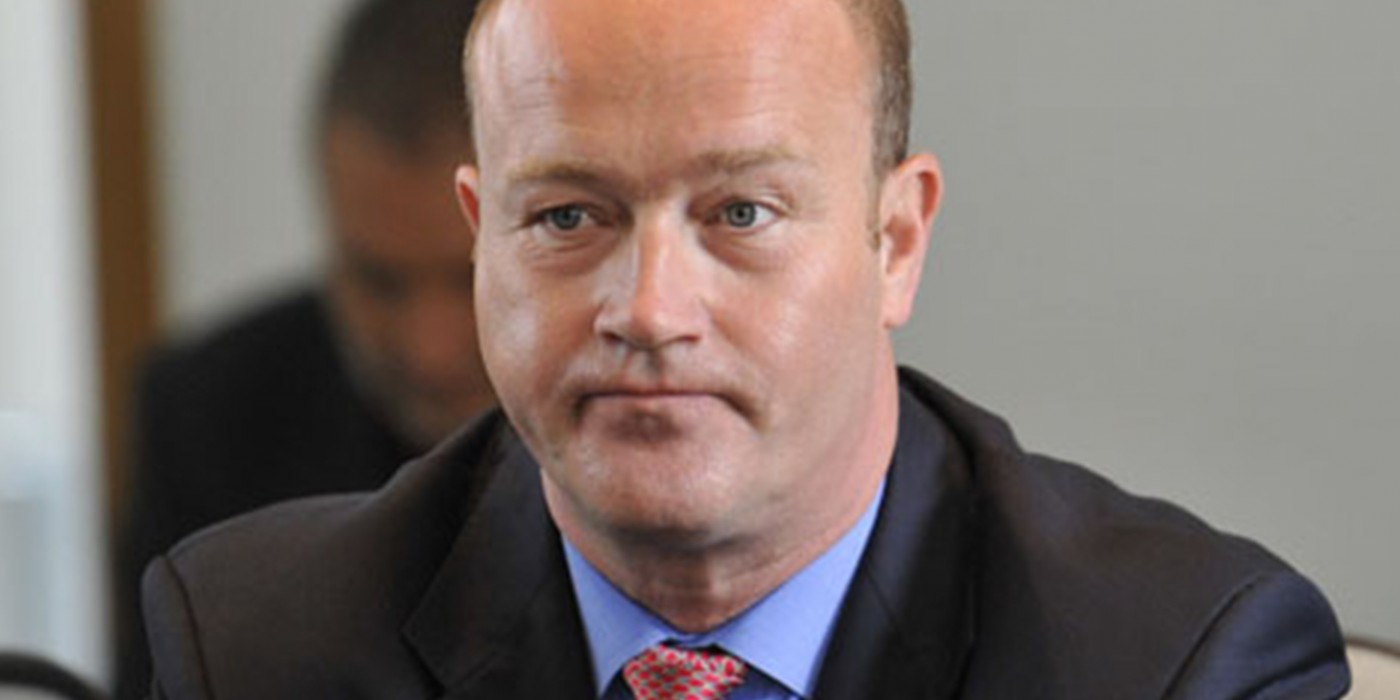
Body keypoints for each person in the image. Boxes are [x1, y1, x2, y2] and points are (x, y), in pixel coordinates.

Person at [139, 0, 1352, 697]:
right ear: (481, 240)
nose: (648, 309)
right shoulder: (255, 650)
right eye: (565, 217)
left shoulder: (1176, 664)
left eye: (739, 213)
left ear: (894, 242)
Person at [112, 0, 488, 697]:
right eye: (378, 281)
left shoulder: (637, 405)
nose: (430, 351)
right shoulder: (207, 412)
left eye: (468, 277)